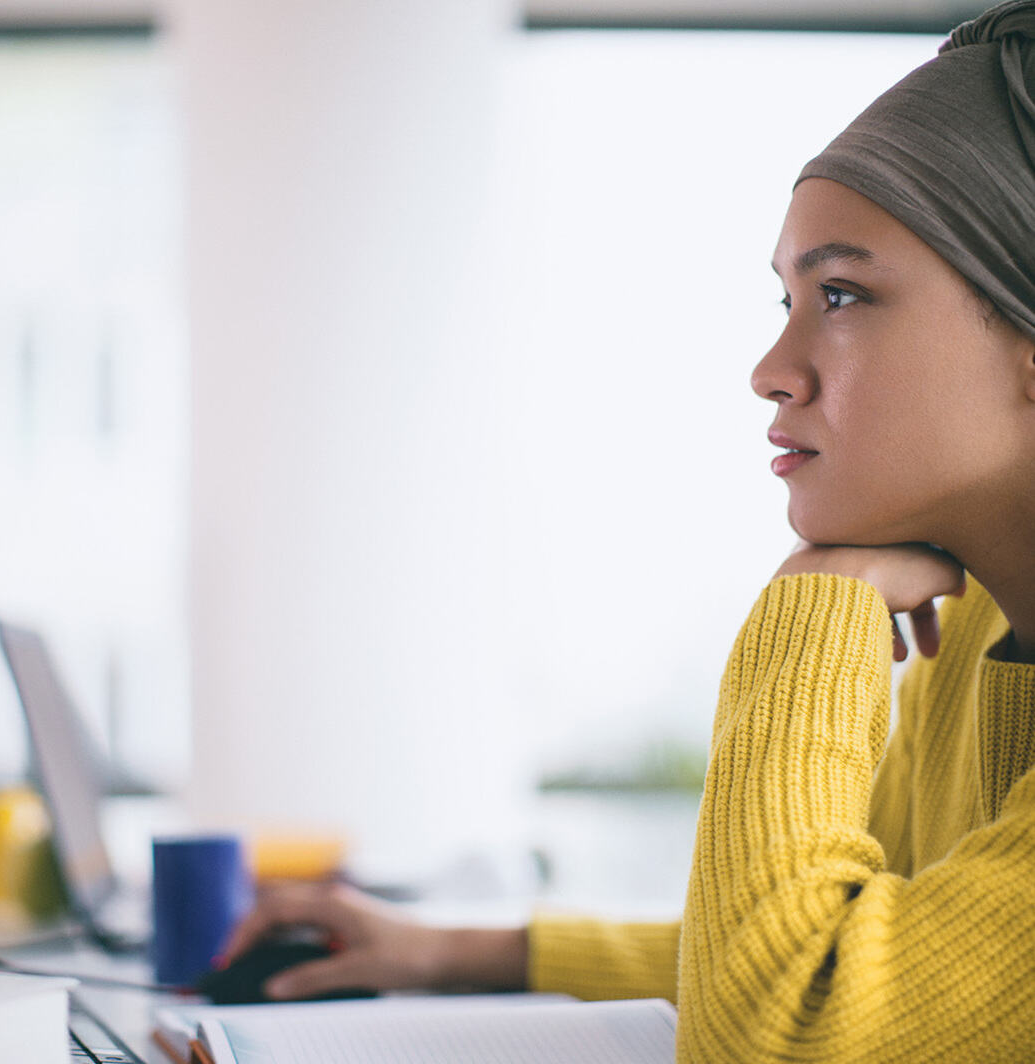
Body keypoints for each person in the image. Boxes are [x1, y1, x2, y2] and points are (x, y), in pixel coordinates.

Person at [220, 2, 1035, 1057]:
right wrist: (448, 952)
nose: (771, 370)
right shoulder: (974, 635)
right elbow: (834, 945)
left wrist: (814, 605)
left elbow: (785, 1023)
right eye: (787, 300)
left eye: (841, 293)